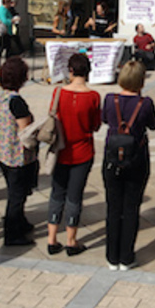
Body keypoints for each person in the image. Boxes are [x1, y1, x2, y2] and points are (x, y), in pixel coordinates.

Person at [102, 61, 155, 270]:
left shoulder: (110, 99)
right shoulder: (145, 103)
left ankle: (111, 256)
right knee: (131, 207)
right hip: (137, 158)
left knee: (113, 207)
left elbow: (104, 120)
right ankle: (126, 256)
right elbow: (153, 124)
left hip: (112, 157)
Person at [47, 53, 101, 256]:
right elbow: (95, 125)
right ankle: (71, 240)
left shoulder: (58, 93)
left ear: (70, 70)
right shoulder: (93, 96)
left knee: (56, 193)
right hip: (83, 151)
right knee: (74, 196)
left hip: (61, 150)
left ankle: (52, 238)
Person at [0, 57, 38, 246]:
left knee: (15, 190)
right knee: (17, 194)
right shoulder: (17, 102)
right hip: (16, 154)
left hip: (2, 150)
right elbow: (26, 129)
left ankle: (20, 222)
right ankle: (12, 233)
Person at [0, 0, 20, 67]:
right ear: (6, 3)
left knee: (9, 49)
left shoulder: (7, 9)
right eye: (10, 2)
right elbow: (4, 21)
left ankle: (7, 63)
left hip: (8, 31)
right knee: (1, 49)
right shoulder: (2, 10)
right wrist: (13, 20)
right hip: (4, 32)